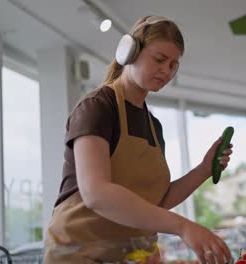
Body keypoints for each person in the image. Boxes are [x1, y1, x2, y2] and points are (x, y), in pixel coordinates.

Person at [44, 15, 234, 263]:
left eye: (173, 65)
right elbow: (96, 194)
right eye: (159, 59)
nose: (166, 70)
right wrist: (183, 226)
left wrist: (203, 170)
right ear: (129, 52)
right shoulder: (98, 107)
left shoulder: (153, 126)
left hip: (133, 256)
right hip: (80, 255)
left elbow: (156, 202)